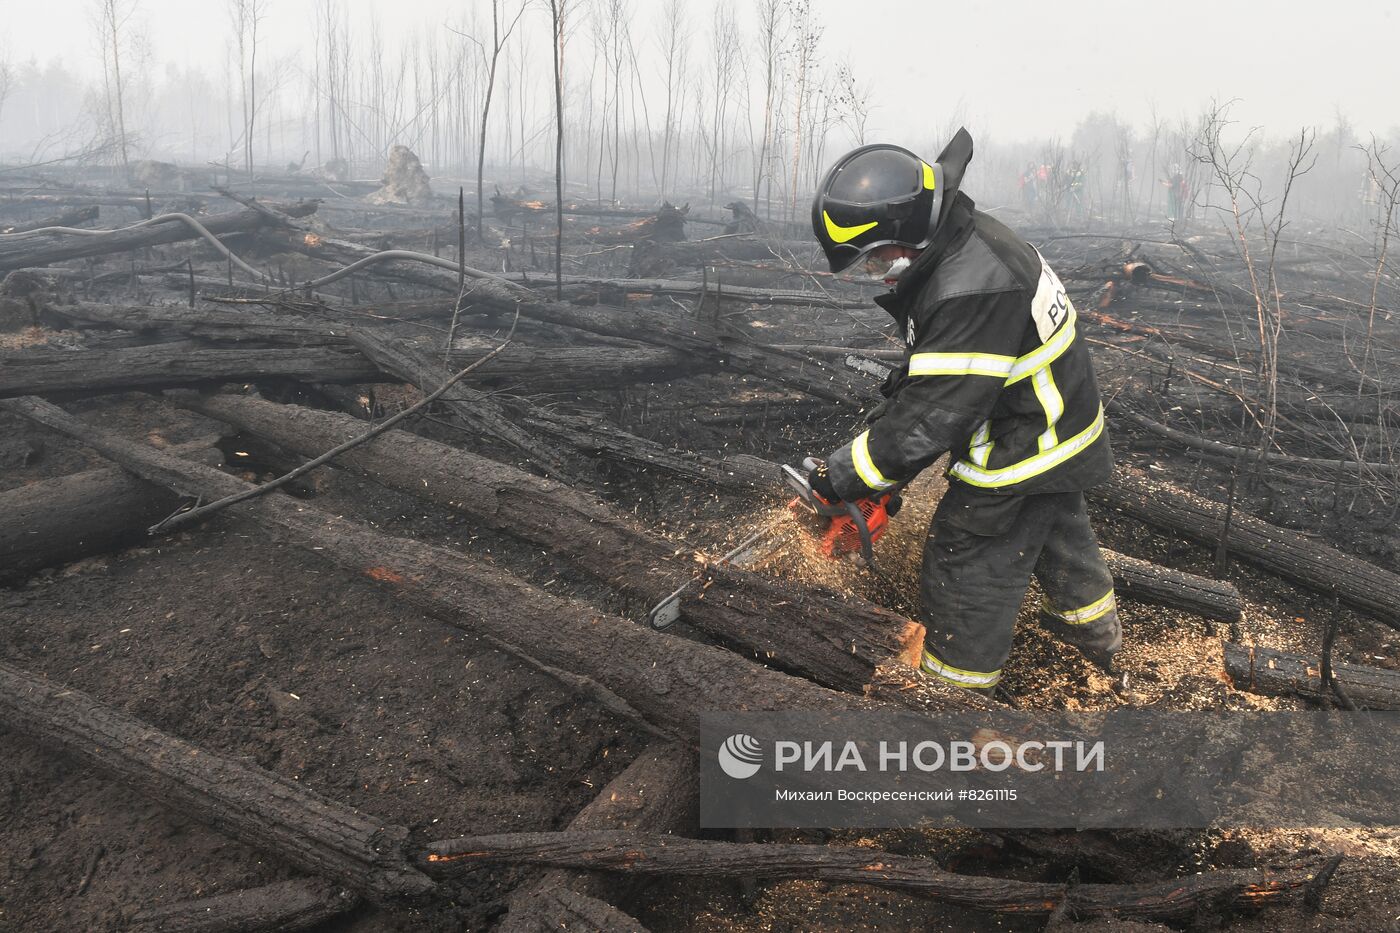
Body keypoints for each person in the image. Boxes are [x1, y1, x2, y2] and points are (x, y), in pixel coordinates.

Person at [807, 129, 1120, 693]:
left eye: (875, 259)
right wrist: (883, 443)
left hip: (1024, 442)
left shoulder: (969, 286)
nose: (875, 271)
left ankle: (954, 698)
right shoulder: (962, 239)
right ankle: (1097, 641)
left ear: (901, 235)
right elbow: (945, 370)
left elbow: (933, 416)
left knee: (964, 561)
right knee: (1056, 530)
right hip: (1056, 421)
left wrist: (844, 476)